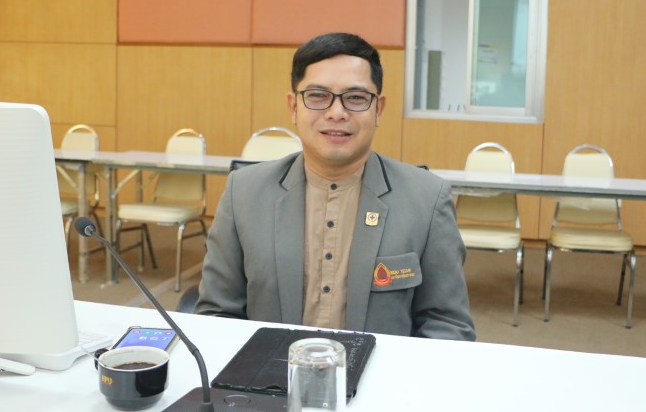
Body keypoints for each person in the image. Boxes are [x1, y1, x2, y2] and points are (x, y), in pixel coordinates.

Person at [195, 32, 475, 341]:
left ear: (378, 109)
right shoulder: (243, 193)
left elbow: (447, 324)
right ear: (293, 107)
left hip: (382, 371)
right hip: (268, 369)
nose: (336, 112)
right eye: (317, 95)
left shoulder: (427, 199)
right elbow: (217, 315)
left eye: (355, 98)